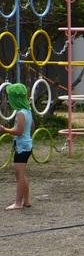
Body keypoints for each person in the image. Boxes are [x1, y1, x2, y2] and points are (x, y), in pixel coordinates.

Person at [3, 83, 35, 211]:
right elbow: (31, 126)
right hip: (26, 145)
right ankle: (26, 200)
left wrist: (4, 129)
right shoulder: (27, 111)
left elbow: (19, 131)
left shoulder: (20, 114)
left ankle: (18, 202)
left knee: (19, 174)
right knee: (21, 174)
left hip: (22, 147)